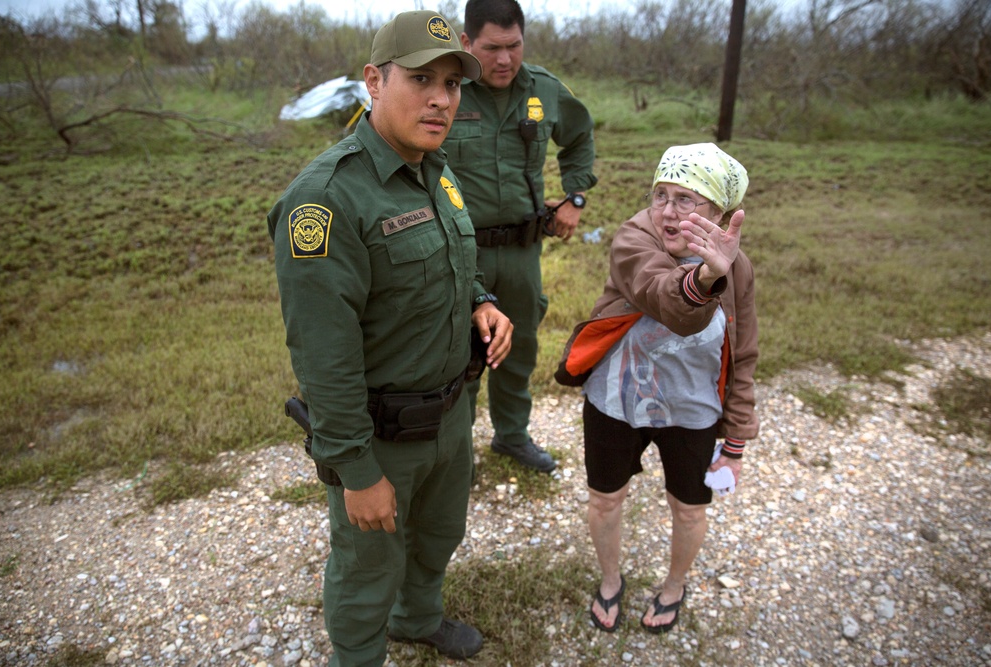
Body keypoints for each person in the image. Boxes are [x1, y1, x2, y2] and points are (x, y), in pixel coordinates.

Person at [267, 11, 514, 665]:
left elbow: (457, 263)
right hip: (380, 436)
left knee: (437, 535)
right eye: (421, 79)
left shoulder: (436, 169)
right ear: (374, 81)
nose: (440, 98)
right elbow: (324, 351)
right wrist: (355, 468)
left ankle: (417, 616)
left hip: (450, 411)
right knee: (366, 567)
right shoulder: (325, 200)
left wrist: (483, 303)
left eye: (453, 84)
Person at [573, 143, 758, 634]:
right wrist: (705, 276)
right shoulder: (634, 239)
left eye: (687, 199)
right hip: (616, 400)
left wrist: (735, 441)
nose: (668, 212)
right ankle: (610, 581)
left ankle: (674, 586)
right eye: (661, 195)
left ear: (719, 212)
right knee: (606, 499)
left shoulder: (736, 266)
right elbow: (665, 300)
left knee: (690, 506)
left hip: (693, 409)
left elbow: (744, 355)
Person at [442, 0, 598, 473]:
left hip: (524, 251)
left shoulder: (544, 91)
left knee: (520, 346)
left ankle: (512, 436)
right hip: (460, 255)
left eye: (514, 46)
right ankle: (454, 454)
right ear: (467, 44)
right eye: (492, 48)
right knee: (458, 353)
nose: (505, 59)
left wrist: (574, 198)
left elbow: (580, 138)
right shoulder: (445, 90)